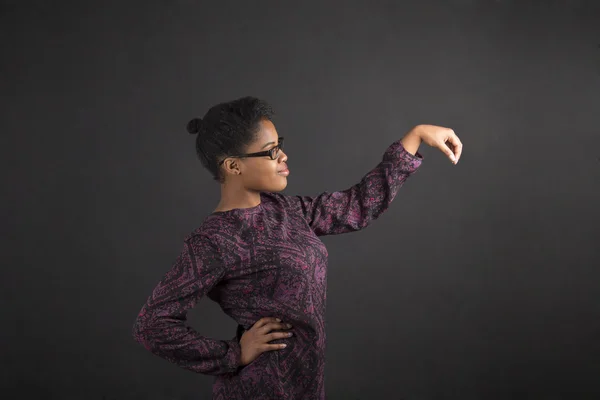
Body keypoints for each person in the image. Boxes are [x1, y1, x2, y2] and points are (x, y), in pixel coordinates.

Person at [132, 96, 463, 399]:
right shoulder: (215, 239)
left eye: (280, 145)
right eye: (271, 150)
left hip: (305, 387)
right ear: (234, 166)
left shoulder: (285, 210)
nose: (283, 156)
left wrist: (415, 136)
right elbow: (152, 323)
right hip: (261, 390)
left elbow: (357, 206)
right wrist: (233, 353)